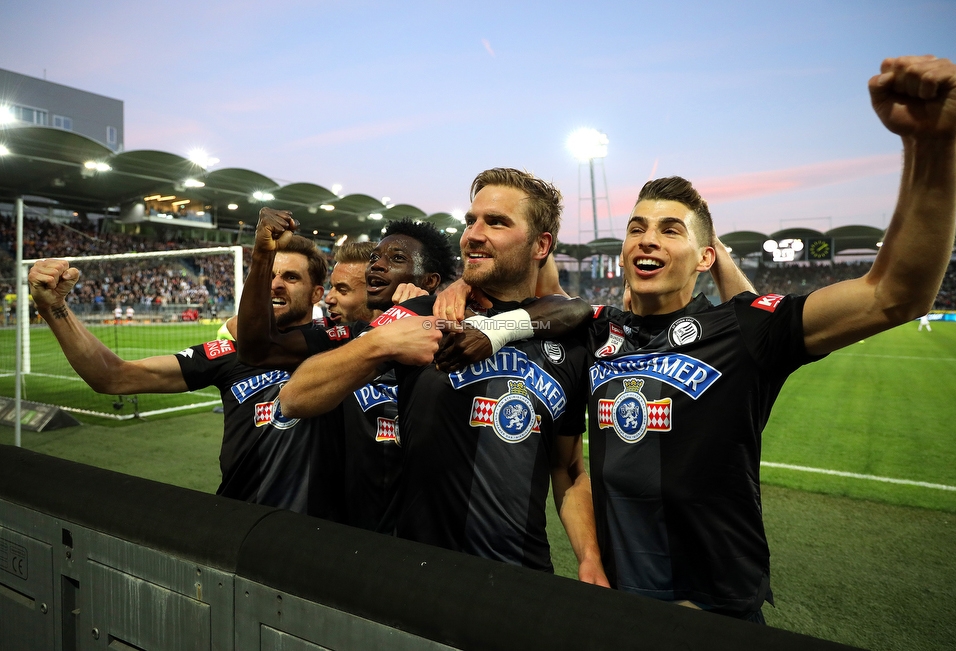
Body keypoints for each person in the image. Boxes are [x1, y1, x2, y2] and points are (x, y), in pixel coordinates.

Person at [440, 55, 956, 623]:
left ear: (706, 257)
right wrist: (462, 290)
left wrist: (932, 147)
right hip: (622, 607)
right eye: (636, 228)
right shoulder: (597, 332)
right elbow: (554, 306)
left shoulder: (745, 329)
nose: (647, 240)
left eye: (671, 230)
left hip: (717, 614)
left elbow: (895, 294)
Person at [259, 169, 607, 585]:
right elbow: (296, 397)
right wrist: (379, 344)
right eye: (471, 221)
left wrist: (589, 558)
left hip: (523, 580)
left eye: (496, 222)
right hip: (420, 576)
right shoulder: (422, 313)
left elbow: (568, 469)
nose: (474, 234)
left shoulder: (570, 341)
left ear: (541, 245)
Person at [27, 235, 346, 520]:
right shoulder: (230, 351)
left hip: (325, 532)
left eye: (291, 277)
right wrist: (55, 307)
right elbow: (113, 378)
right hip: (240, 520)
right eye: (269, 275)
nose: (275, 284)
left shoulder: (344, 345)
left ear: (317, 292)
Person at [237, 214, 454, 533]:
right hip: (340, 537)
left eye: (395, 259)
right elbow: (259, 351)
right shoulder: (346, 335)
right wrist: (260, 254)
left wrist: (433, 306)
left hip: (427, 541)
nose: (376, 265)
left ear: (431, 281)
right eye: (375, 258)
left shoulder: (459, 336)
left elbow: (549, 311)